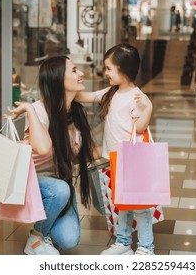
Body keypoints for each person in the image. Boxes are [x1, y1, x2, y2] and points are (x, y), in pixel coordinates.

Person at [7, 56, 95, 255]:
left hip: (58, 184)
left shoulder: (75, 113)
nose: (80, 73)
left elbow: (75, 159)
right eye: (74, 70)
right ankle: (36, 239)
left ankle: (45, 226)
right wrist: (29, 108)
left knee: (69, 239)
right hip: (34, 183)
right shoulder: (39, 110)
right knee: (61, 190)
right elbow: (44, 148)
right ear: (58, 80)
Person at [75, 43, 154, 255]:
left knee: (138, 204)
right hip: (115, 159)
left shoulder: (136, 96)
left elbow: (139, 128)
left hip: (131, 159)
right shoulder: (111, 92)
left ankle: (146, 248)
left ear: (123, 69)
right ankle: (123, 242)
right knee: (121, 202)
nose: (106, 72)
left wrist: (149, 108)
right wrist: (69, 85)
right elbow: (86, 97)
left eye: (109, 68)